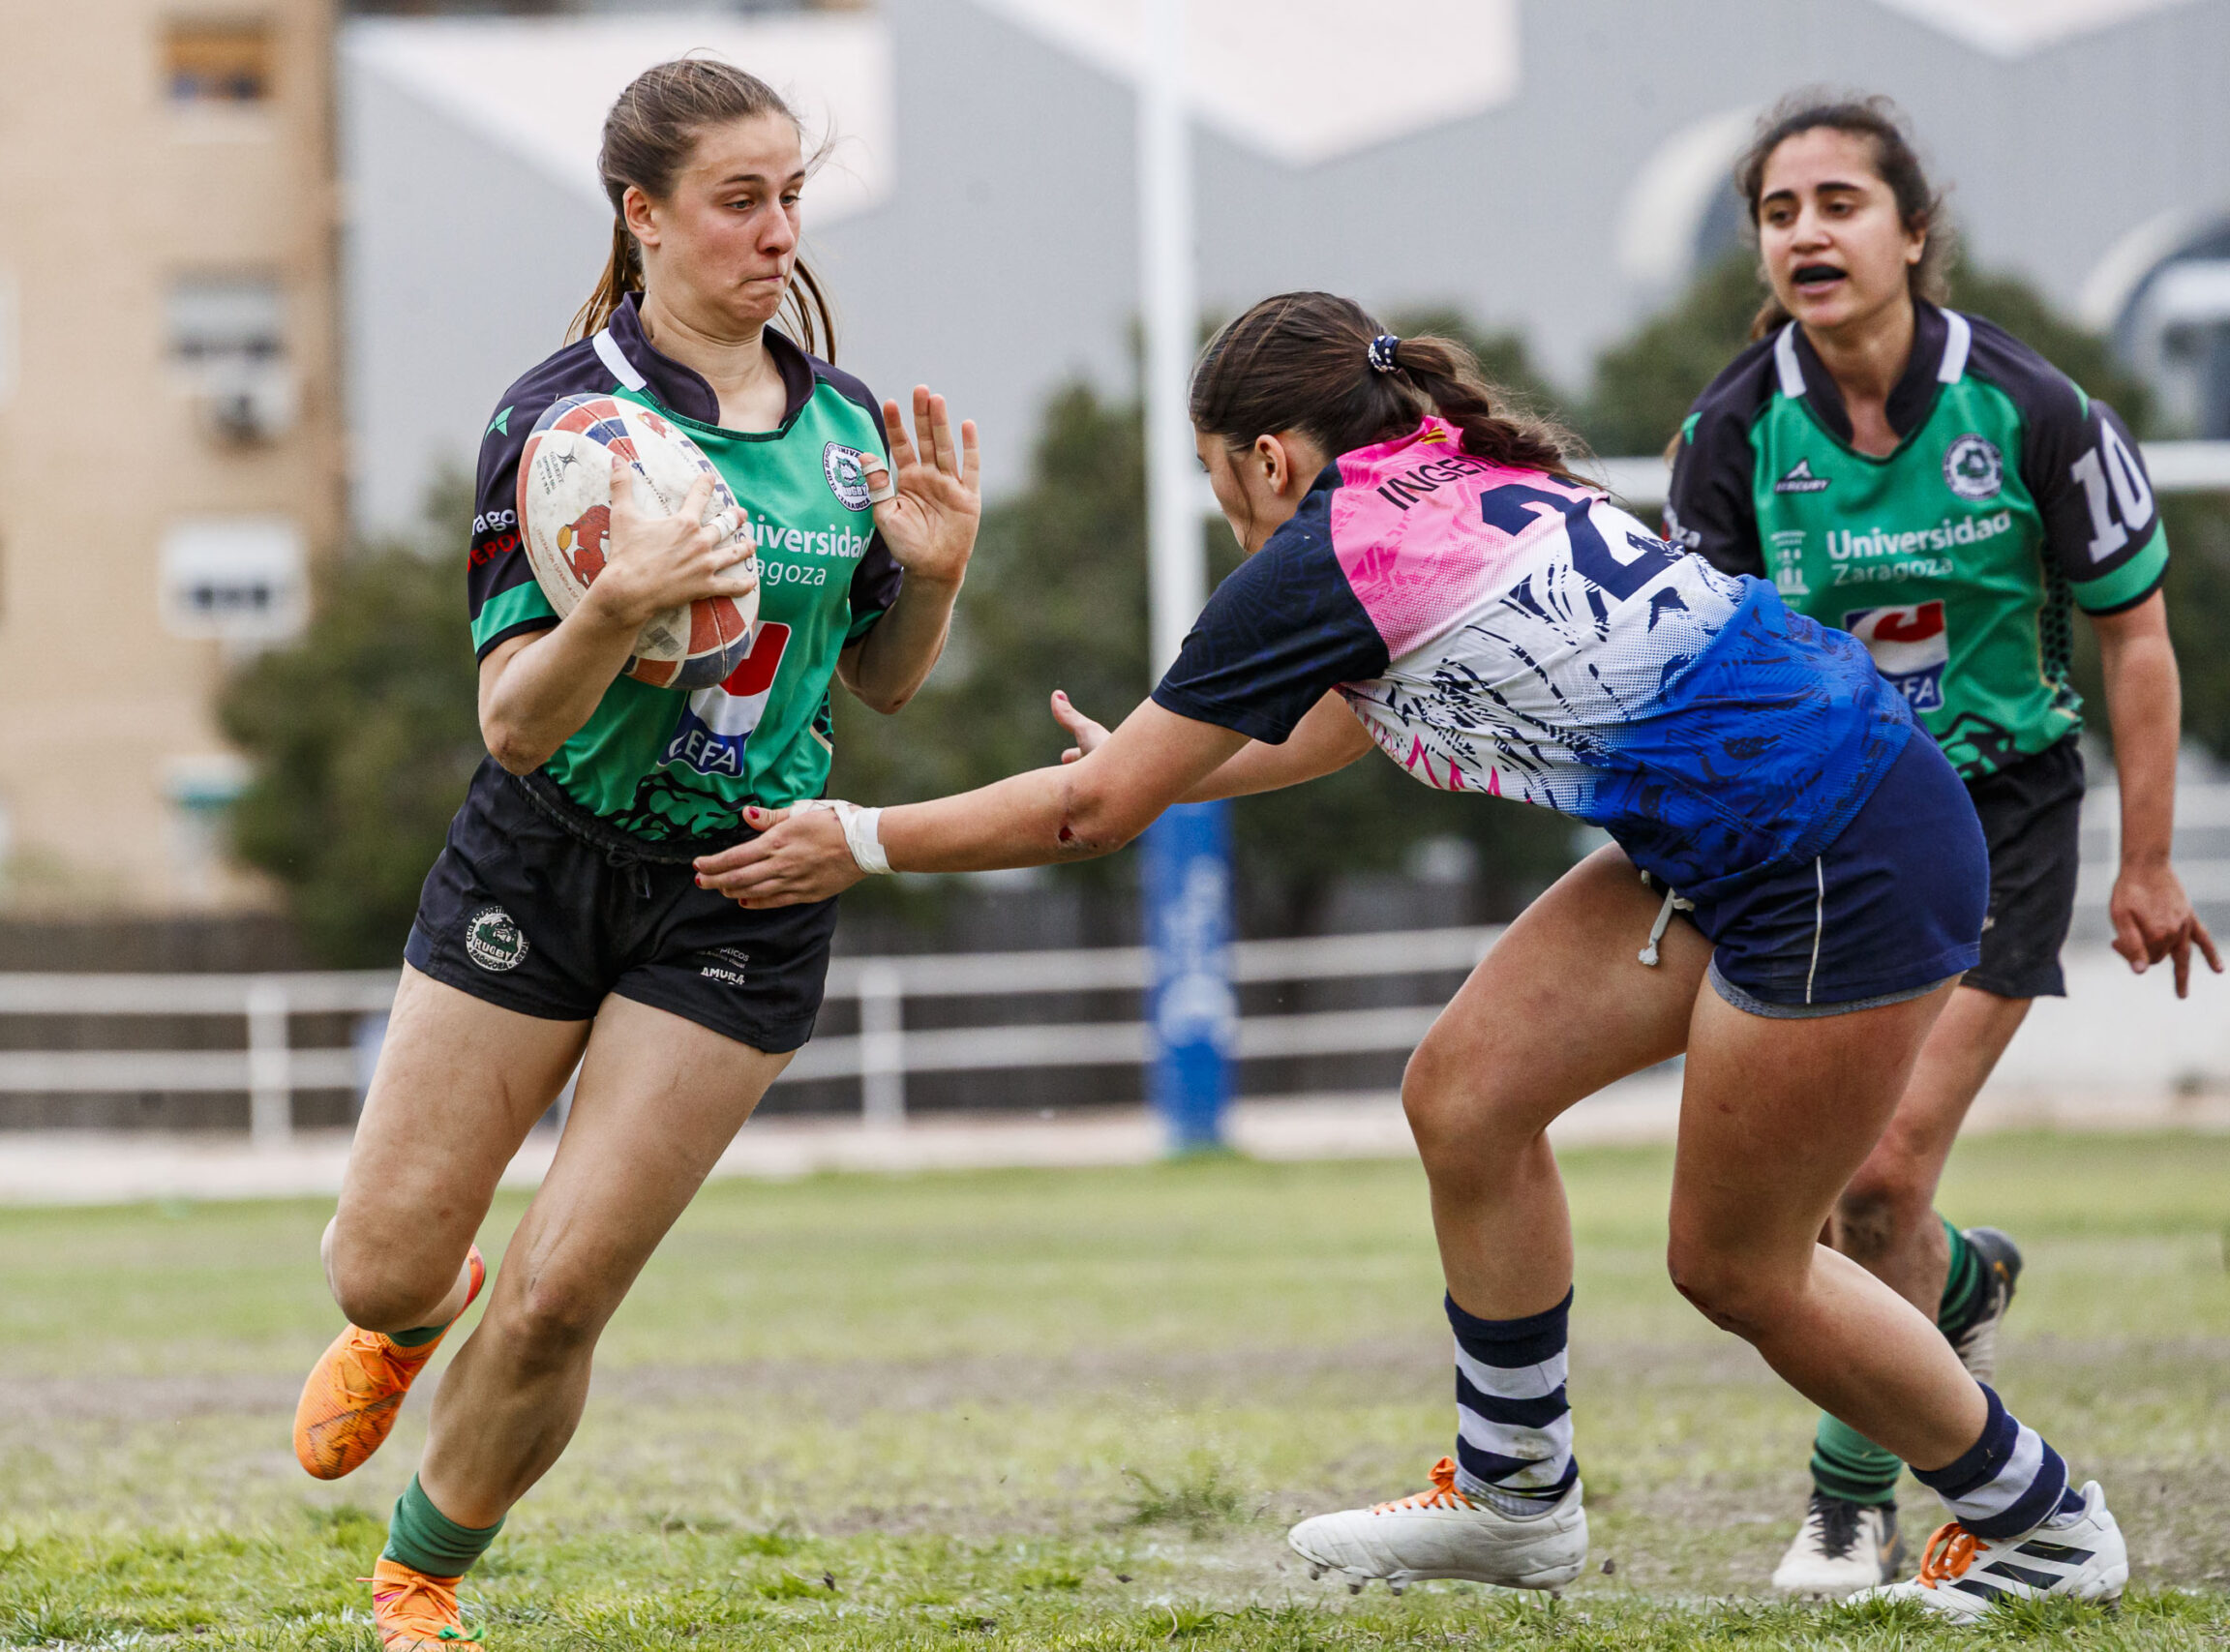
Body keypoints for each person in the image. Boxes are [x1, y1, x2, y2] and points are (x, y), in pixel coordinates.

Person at [696, 291, 2132, 1620]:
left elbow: (1088, 815)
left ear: (1265, 457)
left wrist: (861, 835)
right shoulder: (1447, 475)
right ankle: (1516, 1499)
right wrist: (1158, 764)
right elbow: (1331, 721)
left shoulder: (1327, 543)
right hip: (1762, 830)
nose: (1223, 509)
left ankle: (2043, 1521)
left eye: (1213, 475)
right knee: (1467, 1093)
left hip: (1839, 850)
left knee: (1738, 1267)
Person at [287, 59, 981, 1652]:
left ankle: (422, 1576)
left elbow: (874, 684)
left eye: (791, 194)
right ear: (644, 214)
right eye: (740, 199)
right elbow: (517, 729)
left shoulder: (849, 430)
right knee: (384, 1263)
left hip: (742, 892)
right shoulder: (558, 423)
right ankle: (406, 1320)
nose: (776, 229)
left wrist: (931, 579)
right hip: (539, 860)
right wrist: (614, 605)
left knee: (561, 1292)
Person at [1665, 93, 2220, 1595]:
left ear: (1914, 233)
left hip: (2002, 813)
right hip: (1828, 833)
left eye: (1841, 203)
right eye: (1781, 213)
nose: (1808, 233)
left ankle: (1852, 1504)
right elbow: (1699, 676)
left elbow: (2138, 638)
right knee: (1876, 1204)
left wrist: (2150, 862)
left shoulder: (2032, 410)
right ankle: (1966, 1286)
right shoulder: (1730, 434)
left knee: (1882, 1178)